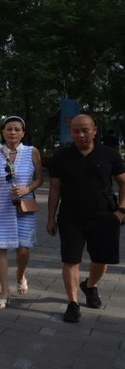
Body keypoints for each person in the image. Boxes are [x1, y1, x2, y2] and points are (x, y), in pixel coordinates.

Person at [46, 114, 125, 323]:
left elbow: (123, 182)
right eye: (76, 131)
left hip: (103, 215)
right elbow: (54, 188)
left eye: (85, 130)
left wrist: (121, 211)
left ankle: (89, 286)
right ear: (70, 132)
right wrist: (51, 217)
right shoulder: (61, 157)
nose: (80, 135)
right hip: (70, 216)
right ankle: (72, 303)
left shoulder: (109, 154)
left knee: (101, 260)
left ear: (95, 130)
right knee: (71, 259)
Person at [0, 116, 43, 309]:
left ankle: (20, 275)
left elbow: (39, 179)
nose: (13, 132)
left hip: (24, 207)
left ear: (23, 133)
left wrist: (27, 189)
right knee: (0, 248)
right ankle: (4, 291)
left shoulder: (32, 152)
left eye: (17, 129)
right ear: (3, 132)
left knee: (23, 249)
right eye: (9, 129)